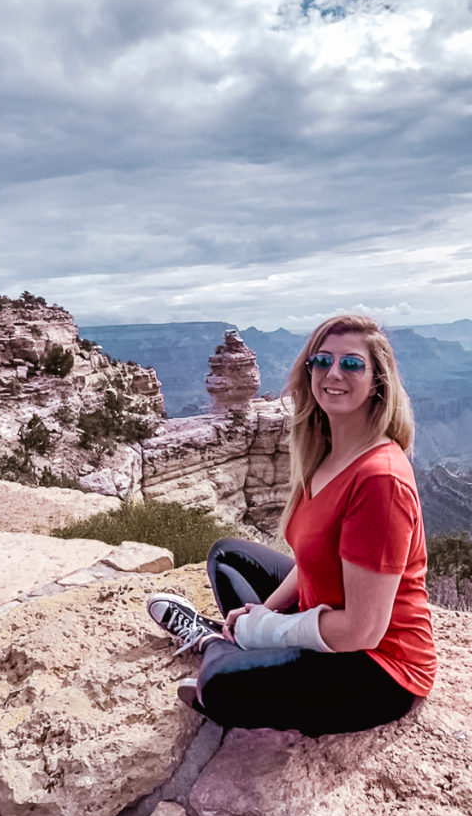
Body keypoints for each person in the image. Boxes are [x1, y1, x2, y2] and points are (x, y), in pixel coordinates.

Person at [146, 314, 436, 736]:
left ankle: (214, 645)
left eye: (352, 364)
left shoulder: (379, 481)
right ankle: (235, 645)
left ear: (378, 381)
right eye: (321, 361)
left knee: (217, 688)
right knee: (228, 556)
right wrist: (265, 611)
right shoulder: (327, 452)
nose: (333, 373)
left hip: (380, 666)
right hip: (325, 616)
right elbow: (314, 561)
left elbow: (363, 630)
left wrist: (269, 628)